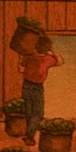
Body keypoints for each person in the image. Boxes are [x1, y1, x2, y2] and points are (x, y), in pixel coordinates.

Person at [8, 16, 61, 144]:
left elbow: (21, 69)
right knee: (38, 113)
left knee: (29, 111)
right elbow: (60, 61)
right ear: (46, 49)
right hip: (37, 88)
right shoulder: (48, 59)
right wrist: (52, 51)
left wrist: (22, 56)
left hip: (26, 86)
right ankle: (30, 137)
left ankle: (28, 134)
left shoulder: (30, 56)